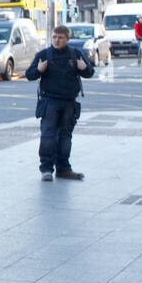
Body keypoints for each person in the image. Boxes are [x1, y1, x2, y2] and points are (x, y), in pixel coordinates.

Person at [26, 24, 94, 181]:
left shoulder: (75, 54)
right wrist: (39, 70)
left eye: (60, 38)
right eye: (54, 37)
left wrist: (83, 68)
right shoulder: (44, 54)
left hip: (69, 102)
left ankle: (63, 168)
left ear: (67, 39)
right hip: (50, 101)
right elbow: (30, 74)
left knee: (65, 136)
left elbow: (89, 72)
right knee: (48, 136)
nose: (56, 40)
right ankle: (46, 169)